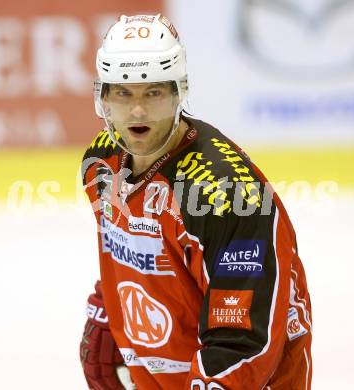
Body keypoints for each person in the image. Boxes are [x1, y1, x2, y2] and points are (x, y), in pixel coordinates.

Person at [79, 13, 312, 390]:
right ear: (101, 96)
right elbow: (126, 252)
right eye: (123, 92)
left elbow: (242, 342)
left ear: (178, 93)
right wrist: (108, 308)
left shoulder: (226, 195)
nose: (137, 112)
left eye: (153, 92)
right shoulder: (100, 164)